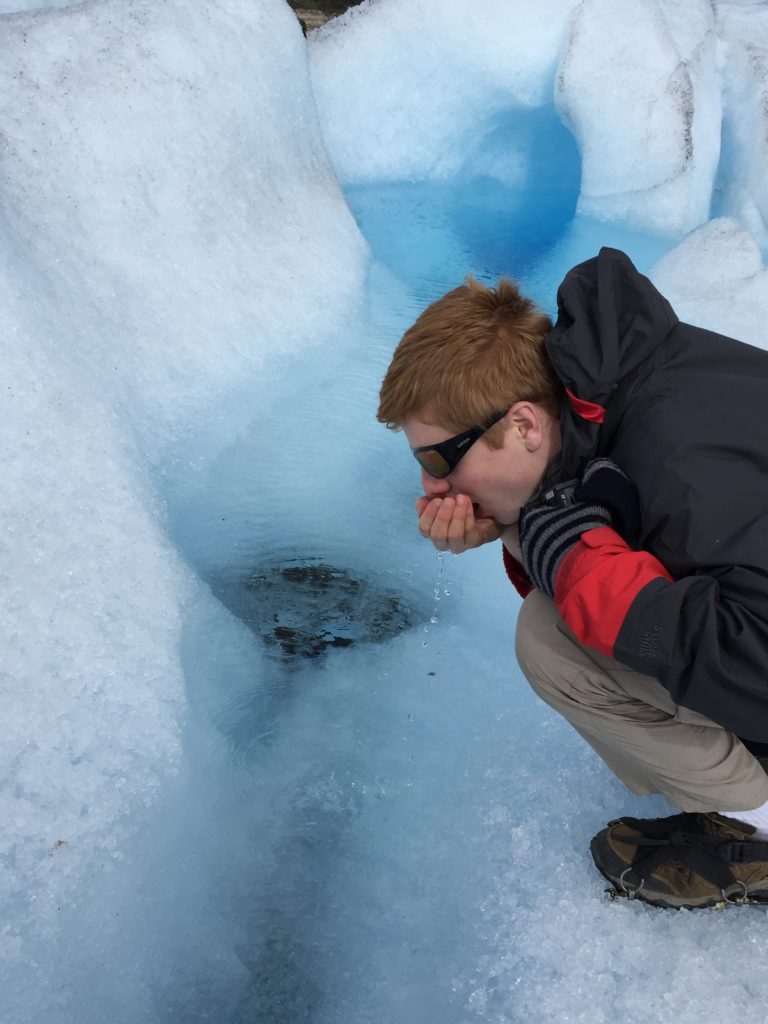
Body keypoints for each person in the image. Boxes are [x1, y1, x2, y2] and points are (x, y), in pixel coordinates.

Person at [377, 247, 768, 910]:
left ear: (523, 422)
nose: (430, 484)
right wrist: (519, 528)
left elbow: (755, 658)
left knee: (550, 643)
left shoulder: (678, 469)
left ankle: (754, 835)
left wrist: (585, 572)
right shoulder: (631, 381)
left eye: (441, 457)